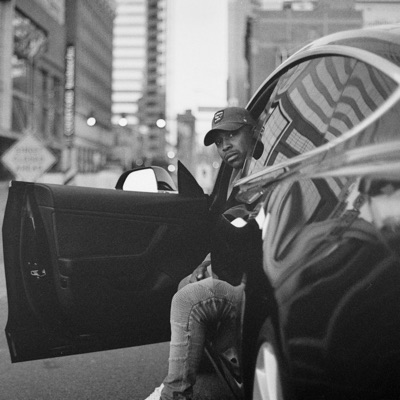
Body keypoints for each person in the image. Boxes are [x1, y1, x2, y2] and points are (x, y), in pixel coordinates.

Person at [145, 107, 267, 400]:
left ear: (255, 131)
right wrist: (209, 261)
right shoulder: (238, 174)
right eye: (219, 141)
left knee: (188, 299)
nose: (225, 146)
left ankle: (175, 393)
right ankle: (210, 356)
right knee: (185, 283)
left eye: (232, 135)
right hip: (238, 273)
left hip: (257, 286)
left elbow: (256, 236)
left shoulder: (266, 172)